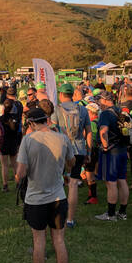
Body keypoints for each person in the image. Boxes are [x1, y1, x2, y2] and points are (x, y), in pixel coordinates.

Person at [15, 107, 75, 263]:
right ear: (47, 120)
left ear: (31, 123)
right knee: (59, 240)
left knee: (39, 241)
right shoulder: (62, 138)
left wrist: (19, 175)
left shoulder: (28, 140)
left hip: (36, 199)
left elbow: (21, 174)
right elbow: (72, 162)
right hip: (58, 197)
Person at [51, 83, 91, 228]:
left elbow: (53, 129)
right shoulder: (82, 109)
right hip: (79, 150)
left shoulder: (56, 109)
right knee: (73, 184)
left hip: (62, 150)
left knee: (58, 183)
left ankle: (57, 215)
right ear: (72, 95)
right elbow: (89, 132)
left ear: (61, 94)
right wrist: (89, 151)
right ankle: (70, 219)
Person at [95, 91, 129, 221]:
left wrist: (104, 147)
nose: (98, 103)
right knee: (122, 180)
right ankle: (122, 212)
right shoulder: (119, 110)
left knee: (111, 182)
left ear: (104, 100)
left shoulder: (105, 113)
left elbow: (103, 131)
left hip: (111, 152)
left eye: (99, 100)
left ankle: (110, 214)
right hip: (122, 150)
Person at [84, 102, 100, 204]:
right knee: (88, 173)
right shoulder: (98, 121)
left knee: (89, 174)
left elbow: (90, 136)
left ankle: (93, 197)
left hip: (92, 149)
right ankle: (91, 194)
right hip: (95, 149)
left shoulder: (93, 123)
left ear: (91, 112)